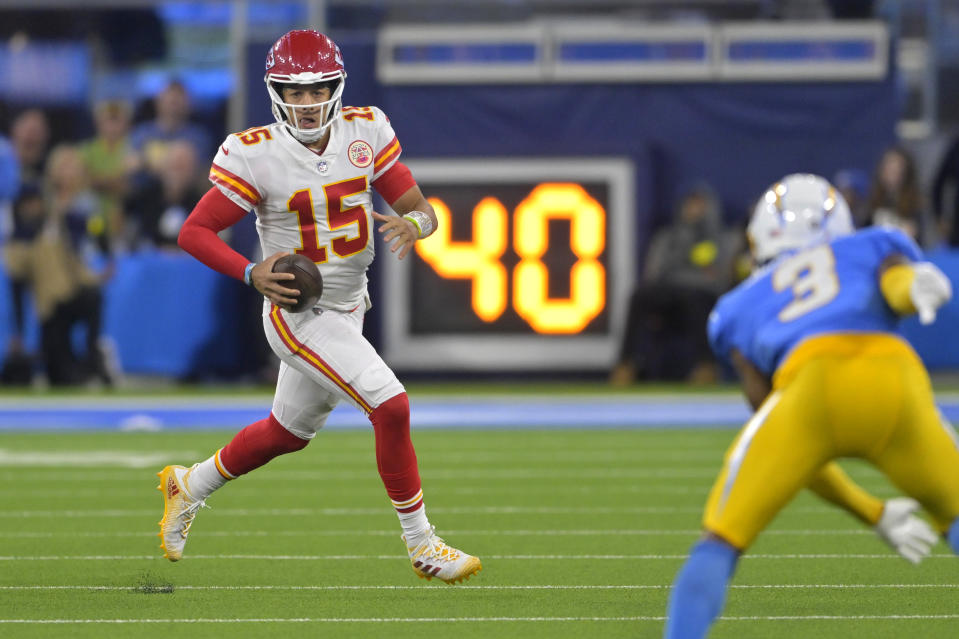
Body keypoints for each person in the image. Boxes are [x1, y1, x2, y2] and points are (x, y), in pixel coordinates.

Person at [158, 29, 482, 585]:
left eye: (317, 90)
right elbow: (195, 231)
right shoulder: (253, 152)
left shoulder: (366, 129)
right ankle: (423, 544)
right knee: (391, 405)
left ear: (336, 87)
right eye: (294, 91)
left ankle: (187, 485)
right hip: (298, 314)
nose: (306, 103)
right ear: (274, 90)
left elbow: (422, 209)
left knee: (287, 432)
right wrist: (250, 269)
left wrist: (416, 224)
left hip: (350, 304)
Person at [663, 173, 958, 638]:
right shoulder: (872, 245)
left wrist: (870, 511)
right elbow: (895, 278)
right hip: (894, 381)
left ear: (760, 235)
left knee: (718, 543)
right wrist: (912, 286)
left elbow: (781, 426)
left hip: (812, 385)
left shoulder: (736, 308)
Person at [610, 183, 733, 385]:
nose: (694, 210)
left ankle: (706, 366)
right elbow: (655, 272)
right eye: (690, 204)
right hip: (670, 294)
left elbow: (720, 279)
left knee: (696, 299)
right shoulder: (667, 237)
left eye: (700, 205)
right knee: (639, 296)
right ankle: (626, 364)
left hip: (701, 296)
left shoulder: (722, 239)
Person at [865, 145, 936, 247]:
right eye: (889, 169)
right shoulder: (873, 201)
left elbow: (923, 239)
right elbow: (864, 234)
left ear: (906, 172)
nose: (892, 174)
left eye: (897, 169)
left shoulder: (916, 203)